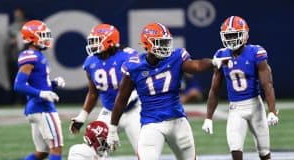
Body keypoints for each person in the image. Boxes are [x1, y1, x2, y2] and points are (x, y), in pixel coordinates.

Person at [107, 22, 230, 160]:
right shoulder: (134, 66)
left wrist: (213, 62)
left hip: (177, 122)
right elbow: (122, 99)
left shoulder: (176, 57)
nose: (165, 46)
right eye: (160, 43)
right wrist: (112, 127)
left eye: (166, 42)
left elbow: (195, 65)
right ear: (147, 44)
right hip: (151, 124)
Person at [201, 16, 279, 160]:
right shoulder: (221, 55)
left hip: (255, 106)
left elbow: (267, 85)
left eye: (234, 35)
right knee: (235, 149)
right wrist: (208, 118)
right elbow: (214, 90)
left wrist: (272, 111)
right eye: (228, 36)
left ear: (245, 35)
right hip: (235, 109)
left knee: (264, 152)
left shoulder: (256, 53)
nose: (231, 39)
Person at [69, 24, 141, 153]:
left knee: (144, 153)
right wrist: (82, 116)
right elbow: (92, 93)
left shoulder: (127, 56)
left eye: (97, 40)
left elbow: (141, 80)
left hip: (133, 111)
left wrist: (136, 93)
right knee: (91, 150)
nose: (93, 44)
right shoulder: (90, 62)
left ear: (110, 41)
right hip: (108, 112)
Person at [13, 20, 65, 160]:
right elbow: (18, 85)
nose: (46, 38)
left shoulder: (37, 55)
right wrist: (41, 93)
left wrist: (53, 84)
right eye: (42, 35)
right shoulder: (30, 55)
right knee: (56, 148)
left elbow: (39, 84)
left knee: (43, 152)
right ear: (31, 38)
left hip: (36, 108)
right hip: (42, 108)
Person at [7, 8, 28, 104]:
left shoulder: (27, 25)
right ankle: (15, 100)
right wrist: (13, 41)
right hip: (15, 57)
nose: (17, 16)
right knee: (15, 80)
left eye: (19, 14)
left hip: (26, 57)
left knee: (26, 79)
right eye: (16, 14)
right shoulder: (12, 27)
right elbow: (8, 41)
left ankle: (26, 99)